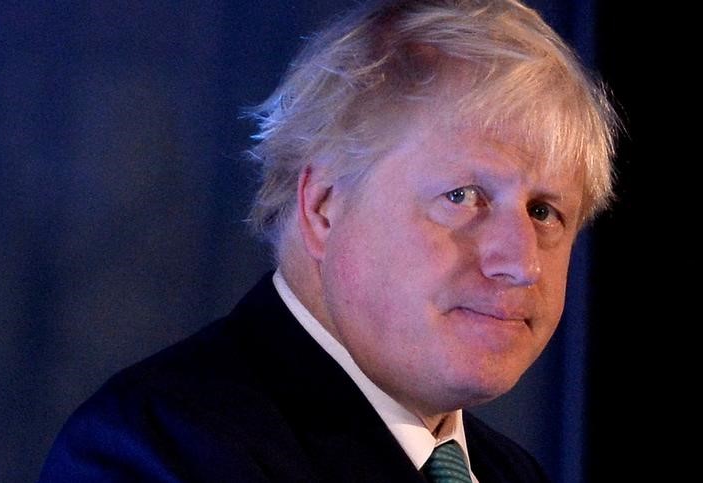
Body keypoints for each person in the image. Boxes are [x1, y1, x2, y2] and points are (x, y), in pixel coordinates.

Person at [40, 0, 617, 481]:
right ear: (324, 207)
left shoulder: (511, 473)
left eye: (544, 211)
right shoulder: (155, 451)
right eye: (463, 196)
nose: (520, 263)